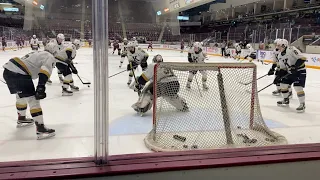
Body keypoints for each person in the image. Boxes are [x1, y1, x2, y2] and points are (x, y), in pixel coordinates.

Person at [2, 43, 57, 139]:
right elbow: (45, 70)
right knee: (33, 100)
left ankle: (22, 118)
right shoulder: (49, 56)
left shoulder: (37, 53)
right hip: (19, 73)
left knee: (20, 96)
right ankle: (40, 128)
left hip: (8, 71)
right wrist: (41, 87)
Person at [276, 39, 307, 113]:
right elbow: (283, 68)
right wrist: (278, 76)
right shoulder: (280, 55)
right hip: (290, 72)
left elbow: (302, 58)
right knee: (283, 84)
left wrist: (295, 66)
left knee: (298, 87)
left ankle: (302, 104)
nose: (277, 47)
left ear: (284, 45)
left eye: (279, 46)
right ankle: (286, 100)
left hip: (300, 71)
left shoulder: (292, 49)